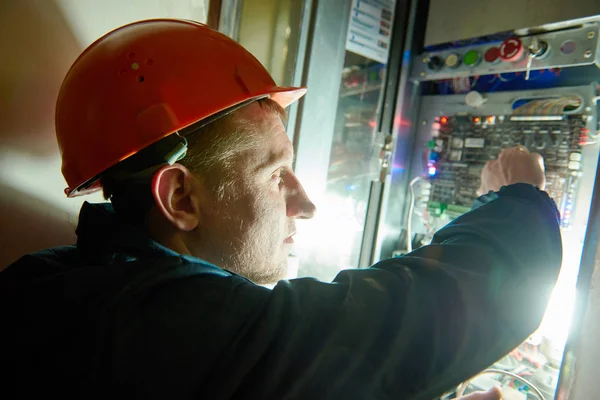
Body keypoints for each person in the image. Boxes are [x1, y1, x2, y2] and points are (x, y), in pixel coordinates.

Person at [0, 20, 561, 400]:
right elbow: (431, 314)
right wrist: (519, 199)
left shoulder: (56, 284)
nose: (306, 203)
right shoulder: (175, 336)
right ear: (180, 199)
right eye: (275, 176)